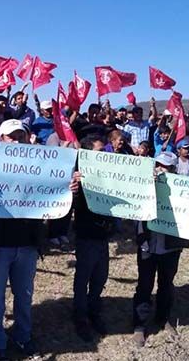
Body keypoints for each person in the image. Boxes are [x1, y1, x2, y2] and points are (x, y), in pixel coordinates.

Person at [0, 119, 79, 360]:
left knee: (24, 295)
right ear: (1, 140)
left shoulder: (39, 166)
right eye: (11, 136)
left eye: (21, 135)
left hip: (28, 243)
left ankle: (23, 336)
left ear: (28, 138)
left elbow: (53, 199)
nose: (16, 140)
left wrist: (67, 188)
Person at [132, 151, 189, 348]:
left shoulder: (183, 188)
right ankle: (139, 326)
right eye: (158, 165)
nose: (161, 170)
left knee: (166, 284)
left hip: (170, 247)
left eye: (166, 167)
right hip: (148, 245)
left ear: (174, 169)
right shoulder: (143, 183)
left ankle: (163, 318)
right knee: (144, 285)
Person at [72, 135, 112, 342]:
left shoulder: (110, 174)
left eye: (105, 151)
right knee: (84, 278)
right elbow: (71, 203)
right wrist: (76, 190)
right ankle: (80, 317)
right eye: (100, 152)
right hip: (87, 234)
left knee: (100, 277)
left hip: (104, 235)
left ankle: (93, 310)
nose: (104, 155)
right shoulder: (78, 177)